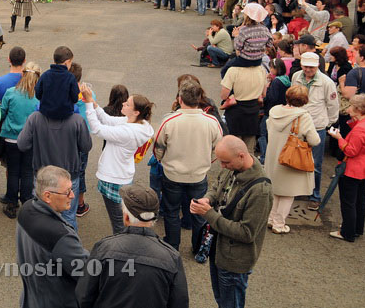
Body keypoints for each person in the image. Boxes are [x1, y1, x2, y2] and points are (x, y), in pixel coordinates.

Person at [190, 136, 273, 308]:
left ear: (241, 156)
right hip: (218, 250)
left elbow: (247, 233)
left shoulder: (261, 191)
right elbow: (216, 187)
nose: (222, 166)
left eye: (225, 162)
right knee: (222, 301)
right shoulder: (231, 168)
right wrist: (207, 199)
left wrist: (208, 214)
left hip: (235, 261)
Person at [76, 185, 189, 308]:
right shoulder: (171, 257)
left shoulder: (103, 248)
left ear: (126, 217)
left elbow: (84, 295)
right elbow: (180, 304)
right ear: (154, 218)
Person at [154, 81, 223, 251]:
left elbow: (158, 147)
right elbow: (219, 148)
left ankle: (172, 245)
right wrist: (207, 160)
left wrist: (164, 161)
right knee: (199, 212)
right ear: (199, 99)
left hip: (172, 174)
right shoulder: (211, 121)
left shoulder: (169, 120)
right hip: (199, 174)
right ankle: (198, 246)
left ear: (180, 98)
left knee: (171, 211)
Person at [82, 86, 155, 234]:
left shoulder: (128, 132)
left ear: (136, 112)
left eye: (127, 104)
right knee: (122, 217)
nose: (123, 104)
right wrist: (94, 104)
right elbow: (108, 120)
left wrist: (88, 105)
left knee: (118, 223)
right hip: (121, 175)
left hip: (113, 177)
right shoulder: (139, 123)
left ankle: (121, 249)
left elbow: (97, 129)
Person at [18, 82, 91, 229]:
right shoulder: (77, 120)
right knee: (69, 217)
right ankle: (69, 249)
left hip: (43, 176)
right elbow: (86, 146)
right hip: (70, 176)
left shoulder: (35, 118)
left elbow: (22, 144)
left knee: (42, 214)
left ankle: (42, 248)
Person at [15, 166, 89, 308]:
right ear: (47, 196)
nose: (73, 196)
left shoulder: (26, 209)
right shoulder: (61, 236)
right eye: (67, 192)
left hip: (32, 300)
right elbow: (88, 274)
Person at [264, 85, 321, 234]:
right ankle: (279, 223)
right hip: (290, 159)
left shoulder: (275, 111)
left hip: (273, 155)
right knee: (288, 193)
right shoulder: (303, 116)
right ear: (305, 100)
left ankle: (270, 219)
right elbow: (314, 140)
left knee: (276, 190)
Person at [328, 93, 365, 241]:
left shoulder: (361, 129)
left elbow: (350, 150)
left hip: (354, 168)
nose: (349, 108)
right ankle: (357, 228)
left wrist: (339, 138)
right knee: (360, 199)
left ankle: (347, 232)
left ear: (358, 109)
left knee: (348, 202)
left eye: (351, 106)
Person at [291, 51, 340, 210]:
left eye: (311, 67)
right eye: (305, 66)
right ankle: (299, 190)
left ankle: (315, 195)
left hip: (317, 126)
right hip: (298, 124)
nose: (307, 70)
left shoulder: (327, 82)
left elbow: (333, 105)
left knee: (316, 164)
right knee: (296, 159)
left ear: (317, 66)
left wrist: (329, 123)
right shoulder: (296, 76)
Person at [0, 62, 41, 218]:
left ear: (22, 74)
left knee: (13, 171)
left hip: (11, 138)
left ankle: (11, 202)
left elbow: (1, 114)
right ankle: (27, 201)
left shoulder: (10, 93)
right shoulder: (38, 97)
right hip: (30, 140)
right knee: (28, 172)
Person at [35, 46, 79, 121]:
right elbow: (75, 98)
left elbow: (38, 94)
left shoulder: (45, 75)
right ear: (67, 62)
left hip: (46, 114)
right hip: (65, 115)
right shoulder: (70, 77)